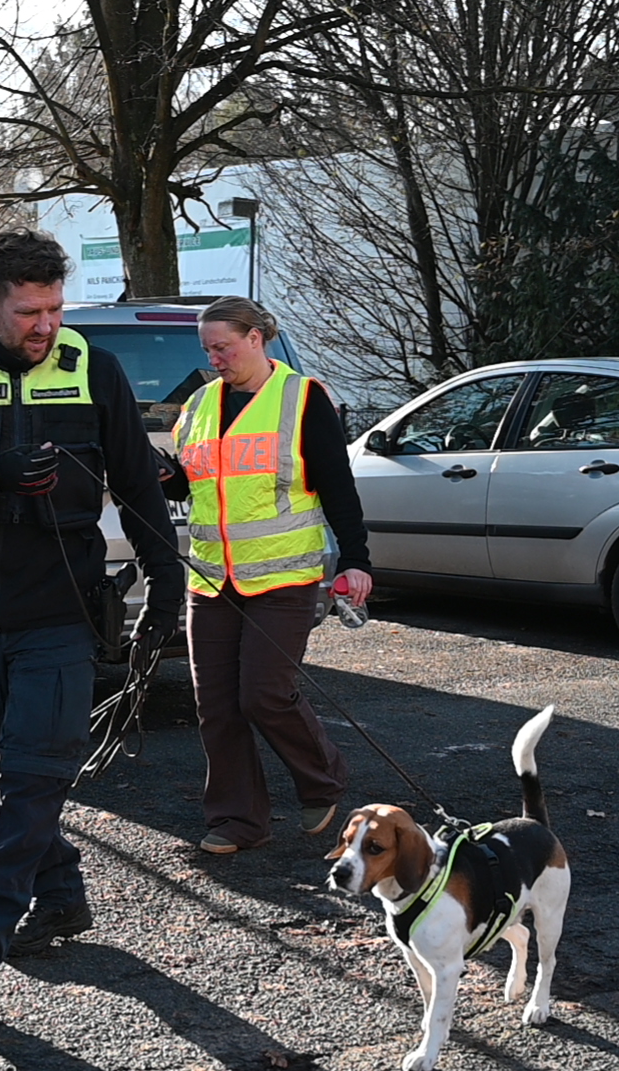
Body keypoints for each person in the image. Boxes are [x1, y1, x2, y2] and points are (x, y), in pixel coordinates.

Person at [0, 228, 184, 1006]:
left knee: (30, 776)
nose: (46, 326)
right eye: (28, 312)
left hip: (60, 610)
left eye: (54, 308)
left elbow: (141, 487)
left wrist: (165, 586)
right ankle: (59, 892)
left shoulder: (95, 370)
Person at [162, 296, 373, 855]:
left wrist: (356, 559)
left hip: (283, 578)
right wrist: (159, 476)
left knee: (264, 695)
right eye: (207, 349)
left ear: (257, 338)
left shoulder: (303, 399)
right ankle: (238, 821)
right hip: (210, 581)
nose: (215, 359)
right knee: (216, 706)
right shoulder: (200, 403)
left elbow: (337, 486)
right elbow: (189, 482)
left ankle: (323, 778)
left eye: (223, 347)